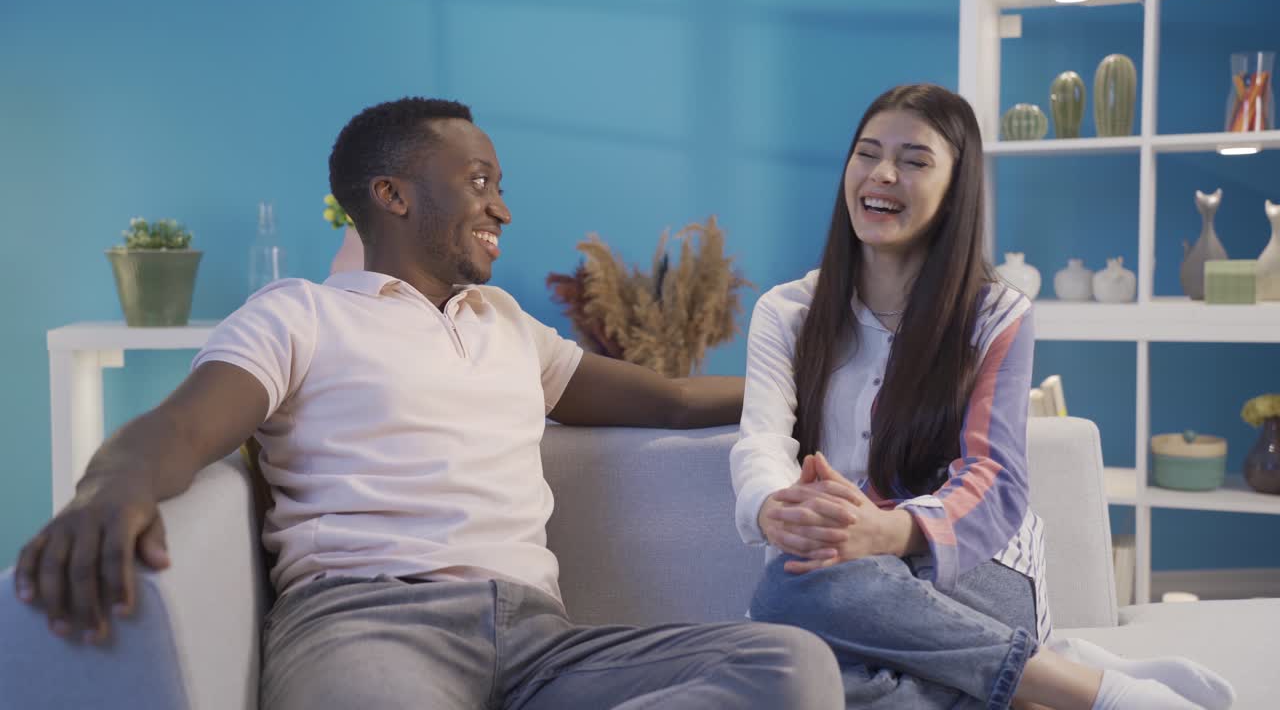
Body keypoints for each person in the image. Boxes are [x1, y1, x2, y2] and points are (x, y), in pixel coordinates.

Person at [13, 97, 843, 710]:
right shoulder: (301, 314)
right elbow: (181, 426)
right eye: (479, 182)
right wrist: (109, 486)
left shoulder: (508, 326)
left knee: (788, 666)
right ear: (394, 194)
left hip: (542, 644)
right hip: (367, 625)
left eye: (500, 185)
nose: (503, 208)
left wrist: (830, 389)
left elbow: (666, 400)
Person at [729, 84, 1236, 710]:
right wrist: (772, 507)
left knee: (793, 608)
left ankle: (1089, 687)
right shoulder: (787, 312)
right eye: (867, 154)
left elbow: (993, 478)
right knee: (797, 590)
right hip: (848, 570)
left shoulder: (995, 314)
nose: (882, 174)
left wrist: (888, 529)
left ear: (954, 191)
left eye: (915, 160)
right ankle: (1068, 682)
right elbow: (763, 440)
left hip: (973, 560)